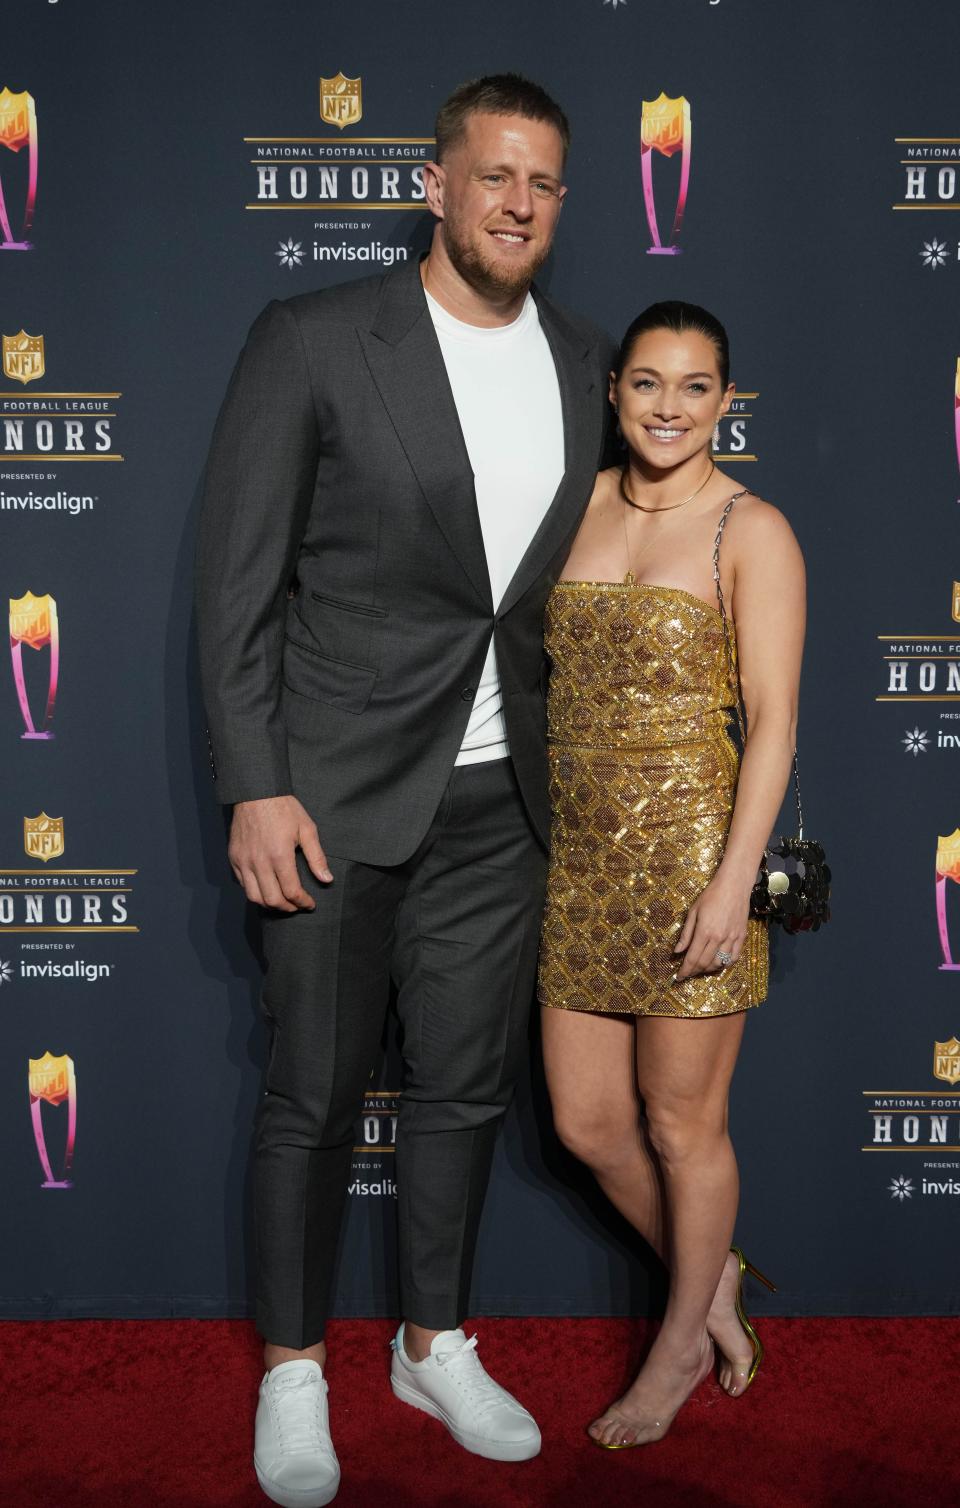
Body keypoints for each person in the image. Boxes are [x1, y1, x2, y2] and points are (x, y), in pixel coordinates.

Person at [195, 73, 614, 1506]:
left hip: (505, 803)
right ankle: (296, 1370)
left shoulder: (582, 359)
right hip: (329, 795)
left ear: (561, 201)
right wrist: (256, 782)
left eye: (542, 183)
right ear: (435, 185)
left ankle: (434, 1341)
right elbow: (237, 585)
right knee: (310, 1098)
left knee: (460, 1091)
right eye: (492, 175)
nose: (516, 202)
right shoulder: (315, 339)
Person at [538, 301, 805, 1448]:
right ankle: (717, 1280)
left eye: (695, 387)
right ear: (614, 393)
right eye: (647, 383)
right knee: (590, 1121)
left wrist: (731, 882)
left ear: (726, 401)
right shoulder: (578, 505)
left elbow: (778, 722)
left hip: (696, 856)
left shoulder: (751, 529)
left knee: (684, 1122)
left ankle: (679, 1341)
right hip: (580, 856)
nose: (668, 407)